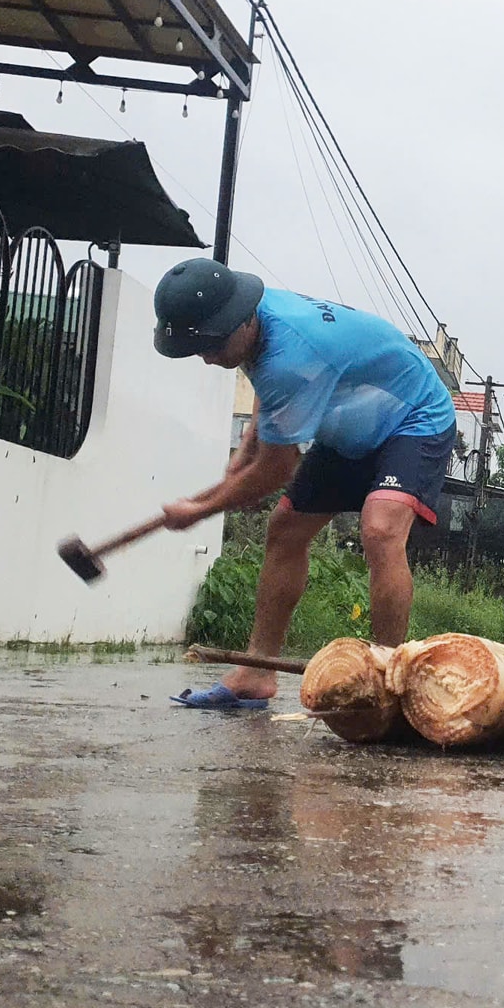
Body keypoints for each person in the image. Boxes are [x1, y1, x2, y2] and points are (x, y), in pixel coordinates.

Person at [153, 258, 458, 708]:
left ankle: (387, 677)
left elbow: (275, 471)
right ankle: (257, 673)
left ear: (239, 319)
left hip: (412, 416)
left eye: (213, 345)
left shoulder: (290, 349)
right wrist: (247, 445)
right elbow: (268, 381)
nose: (208, 357)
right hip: (347, 422)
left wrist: (198, 509)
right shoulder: (257, 316)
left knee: (380, 527)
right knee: (286, 530)